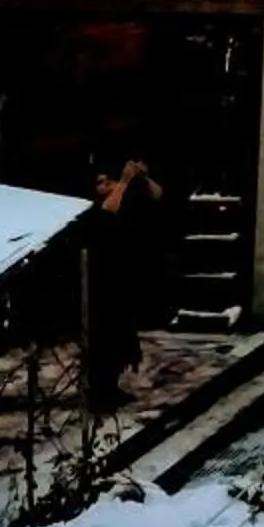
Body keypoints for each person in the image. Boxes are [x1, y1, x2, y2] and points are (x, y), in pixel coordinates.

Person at [86, 156, 165, 401]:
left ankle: (111, 386)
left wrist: (140, 176)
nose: (103, 187)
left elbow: (157, 194)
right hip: (100, 279)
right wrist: (124, 179)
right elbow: (107, 210)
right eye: (100, 183)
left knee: (121, 337)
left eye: (105, 182)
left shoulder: (126, 196)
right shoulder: (98, 206)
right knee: (103, 337)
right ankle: (100, 389)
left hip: (122, 275)